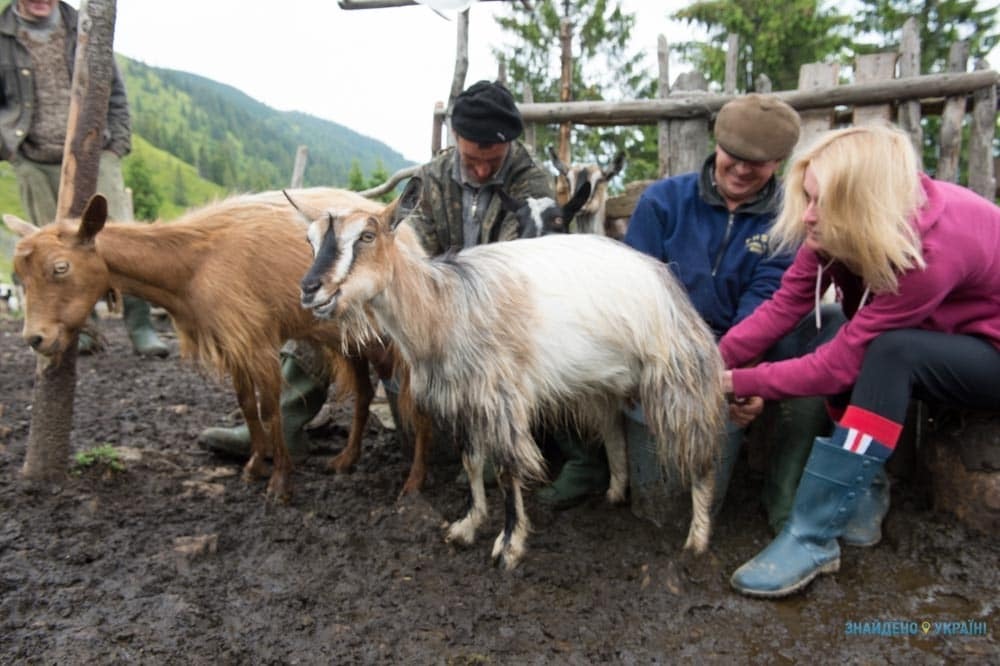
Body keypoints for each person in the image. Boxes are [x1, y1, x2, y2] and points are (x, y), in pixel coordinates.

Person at [198, 79, 556, 464]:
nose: (483, 170)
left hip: (496, 314)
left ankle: (488, 436)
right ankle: (285, 421)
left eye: (494, 159)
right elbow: (409, 253)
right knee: (329, 313)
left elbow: (520, 265)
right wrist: (387, 317)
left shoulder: (533, 186)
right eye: (473, 160)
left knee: (445, 447)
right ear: (456, 136)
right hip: (431, 302)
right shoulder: (432, 179)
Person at [722, 124, 1000, 598]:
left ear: (861, 202)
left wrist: (733, 381)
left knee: (888, 351)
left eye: (820, 203)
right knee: (842, 326)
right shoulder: (835, 227)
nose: (807, 216)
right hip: (940, 334)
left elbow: (838, 368)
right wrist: (710, 362)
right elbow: (782, 307)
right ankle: (865, 481)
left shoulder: (931, 249)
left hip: (989, 353)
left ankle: (811, 536)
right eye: (806, 198)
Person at [623, 93, 848, 531]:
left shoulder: (789, 218)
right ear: (717, 145)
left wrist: (740, 379)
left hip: (747, 342)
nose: (743, 169)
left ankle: (784, 489)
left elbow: (769, 305)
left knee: (830, 325)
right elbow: (635, 293)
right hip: (664, 344)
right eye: (736, 156)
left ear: (779, 163)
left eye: (759, 162)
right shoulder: (663, 202)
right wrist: (666, 366)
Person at [0, 0, 168, 357]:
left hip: (96, 150)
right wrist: (10, 149)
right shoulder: (3, 36)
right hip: (35, 158)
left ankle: (140, 327)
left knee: (121, 236)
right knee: (52, 251)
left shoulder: (86, 26)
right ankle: (83, 330)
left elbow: (116, 90)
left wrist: (116, 144)